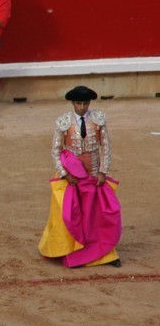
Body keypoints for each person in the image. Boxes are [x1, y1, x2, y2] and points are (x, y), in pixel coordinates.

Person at [38, 86, 121, 268]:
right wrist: (64, 174)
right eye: (78, 103)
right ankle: (69, 250)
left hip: (92, 174)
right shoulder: (63, 122)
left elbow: (106, 147)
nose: (82, 107)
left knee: (97, 215)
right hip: (72, 177)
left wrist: (102, 171)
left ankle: (105, 254)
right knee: (69, 215)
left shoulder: (98, 120)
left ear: (89, 103)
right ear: (72, 103)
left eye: (85, 103)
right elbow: (56, 151)